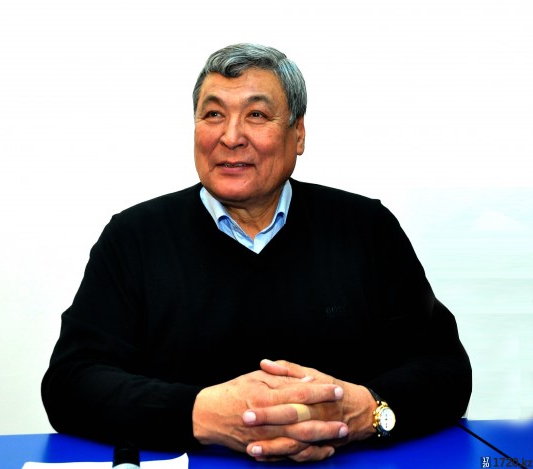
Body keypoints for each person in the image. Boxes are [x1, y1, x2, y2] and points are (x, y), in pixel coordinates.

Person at [41, 43, 472, 463]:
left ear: (298, 134)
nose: (230, 137)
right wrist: (200, 414)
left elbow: (446, 369)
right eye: (213, 115)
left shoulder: (366, 229)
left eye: (257, 115)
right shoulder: (134, 237)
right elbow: (70, 383)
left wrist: (363, 411)